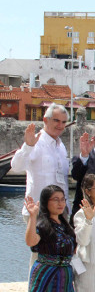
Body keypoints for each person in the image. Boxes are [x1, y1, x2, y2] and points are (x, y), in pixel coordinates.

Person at [12, 104, 70, 271]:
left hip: (60, 210)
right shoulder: (36, 142)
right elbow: (16, 166)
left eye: (63, 122)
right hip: (39, 211)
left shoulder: (61, 146)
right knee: (40, 255)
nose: (60, 125)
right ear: (45, 120)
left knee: (58, 254)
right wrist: (28, 146)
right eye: (56, 120)